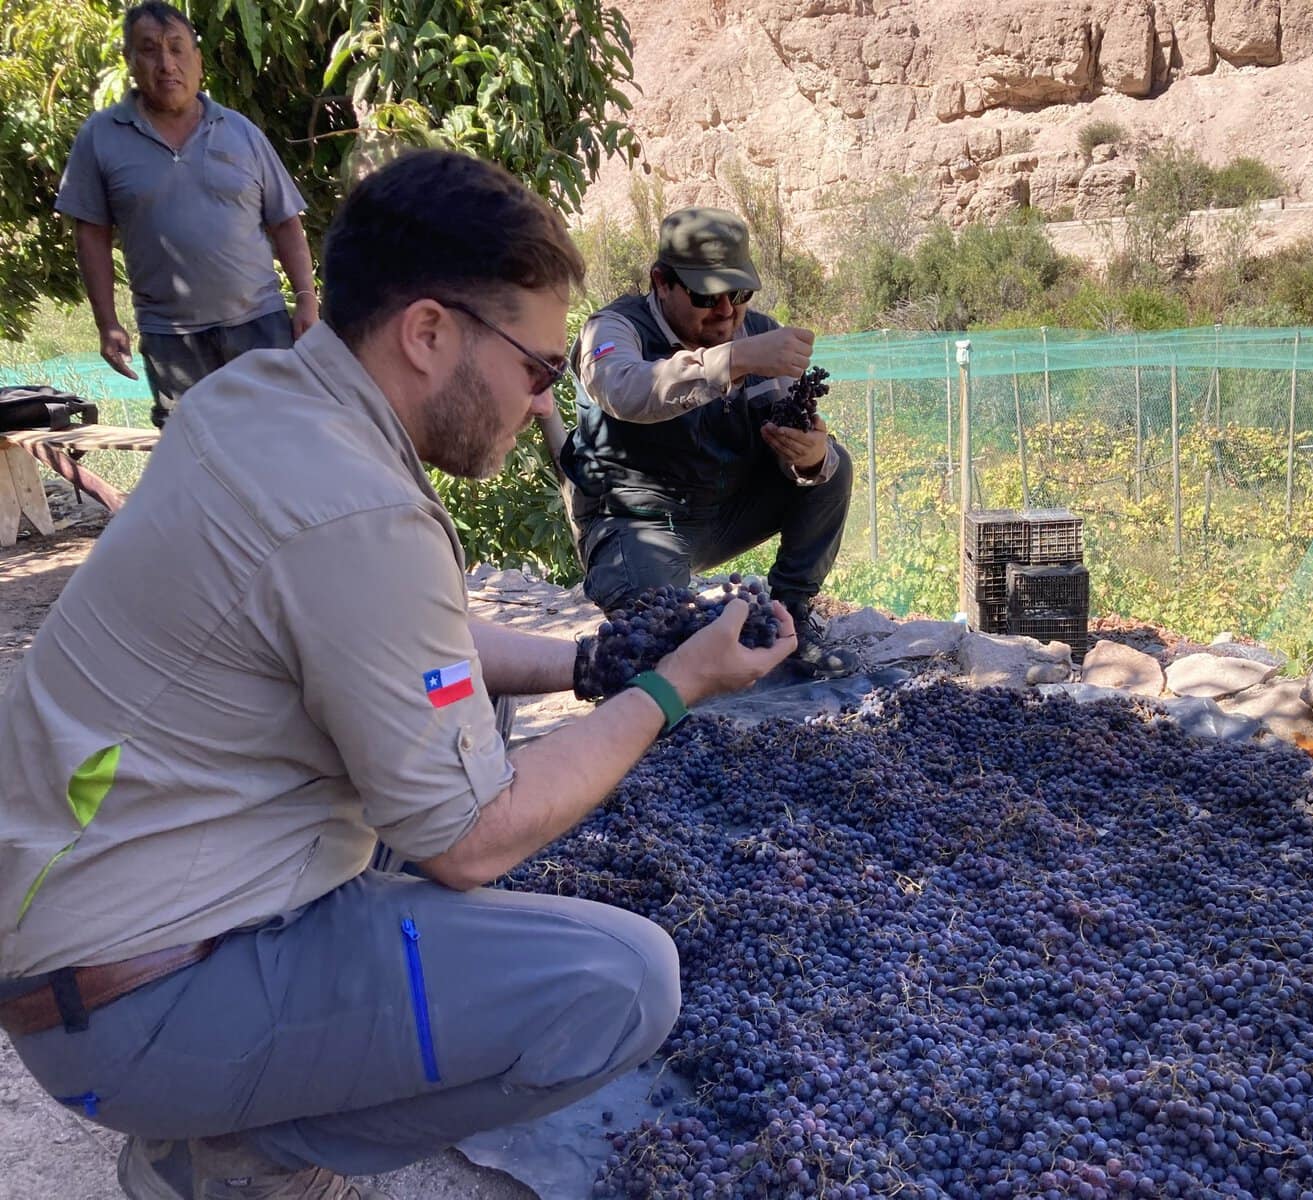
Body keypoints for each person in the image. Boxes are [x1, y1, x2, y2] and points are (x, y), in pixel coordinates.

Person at [0, 149, 795, 1200]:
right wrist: (671, 687)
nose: (541, 406)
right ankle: (240, 1154)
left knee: (470, 718)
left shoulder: (263, 401)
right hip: (136, 1007)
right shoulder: (360, 512)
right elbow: (473, 843)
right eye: (537, 370)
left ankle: (245, 1082)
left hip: (79, 939)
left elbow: (408, 643)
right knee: (623, 983)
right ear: (427, 333)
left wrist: (591, 661)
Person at [561, 207, 859, 677]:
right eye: (706, 296)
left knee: (833, 466)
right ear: (661, 282)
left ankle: (793, 617)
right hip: (638, 523)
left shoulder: (758, 332)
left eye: (739, 294)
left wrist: (809, 457)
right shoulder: (613, 329)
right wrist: (733, 360)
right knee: (666, 656)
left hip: (725, 513)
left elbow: (793, 442)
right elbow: (624, 389)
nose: (726, 311)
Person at [56, 3, 318, 429]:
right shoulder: (100, 138)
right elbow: (91, 235)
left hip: (261, 327)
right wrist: (107, 323)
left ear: (198, 60)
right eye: (149, 50)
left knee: (282, 441)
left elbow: (285, 221)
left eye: (177, 49)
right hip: (172, 339)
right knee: (193, 452)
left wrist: (306, 299)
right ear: (129, 60)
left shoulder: (240, 131)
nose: (166, 64)